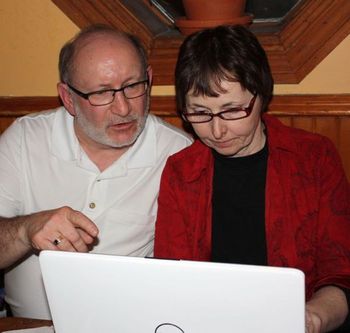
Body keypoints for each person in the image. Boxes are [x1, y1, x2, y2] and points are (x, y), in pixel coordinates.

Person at [154, 25, 350, 333]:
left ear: (261, 95)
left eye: (232, 110)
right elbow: (174, 278)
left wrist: (313, 317)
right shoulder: (182, 171)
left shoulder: (313, 158)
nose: (217, 131)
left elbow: (340, 273)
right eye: (200, 113)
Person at [0, 24, 191, 319]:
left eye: (133, 86)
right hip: (28, 325)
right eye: (102, 92)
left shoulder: (179, 154)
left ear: (149, 80)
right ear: (67, 98)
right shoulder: (25, 139)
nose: (123, 108)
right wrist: (26, 230)